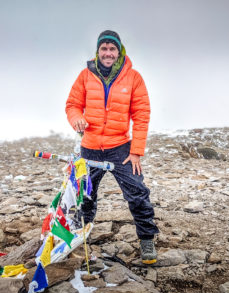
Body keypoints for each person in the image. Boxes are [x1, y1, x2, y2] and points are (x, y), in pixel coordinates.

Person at [65, 30, 159, 264]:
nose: (108, 53)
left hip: (121, 149)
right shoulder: (85, 75)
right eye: (104, 48)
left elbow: (142, 114)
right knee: (84, 196)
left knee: (137, 193)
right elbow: (72, 104)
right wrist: (76, 118)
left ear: (119, 52)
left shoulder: (133, 77)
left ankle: (147, 239)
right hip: (89, 148)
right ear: (98, 51)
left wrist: (136, 151)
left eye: (112, 49)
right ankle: (81, 237)